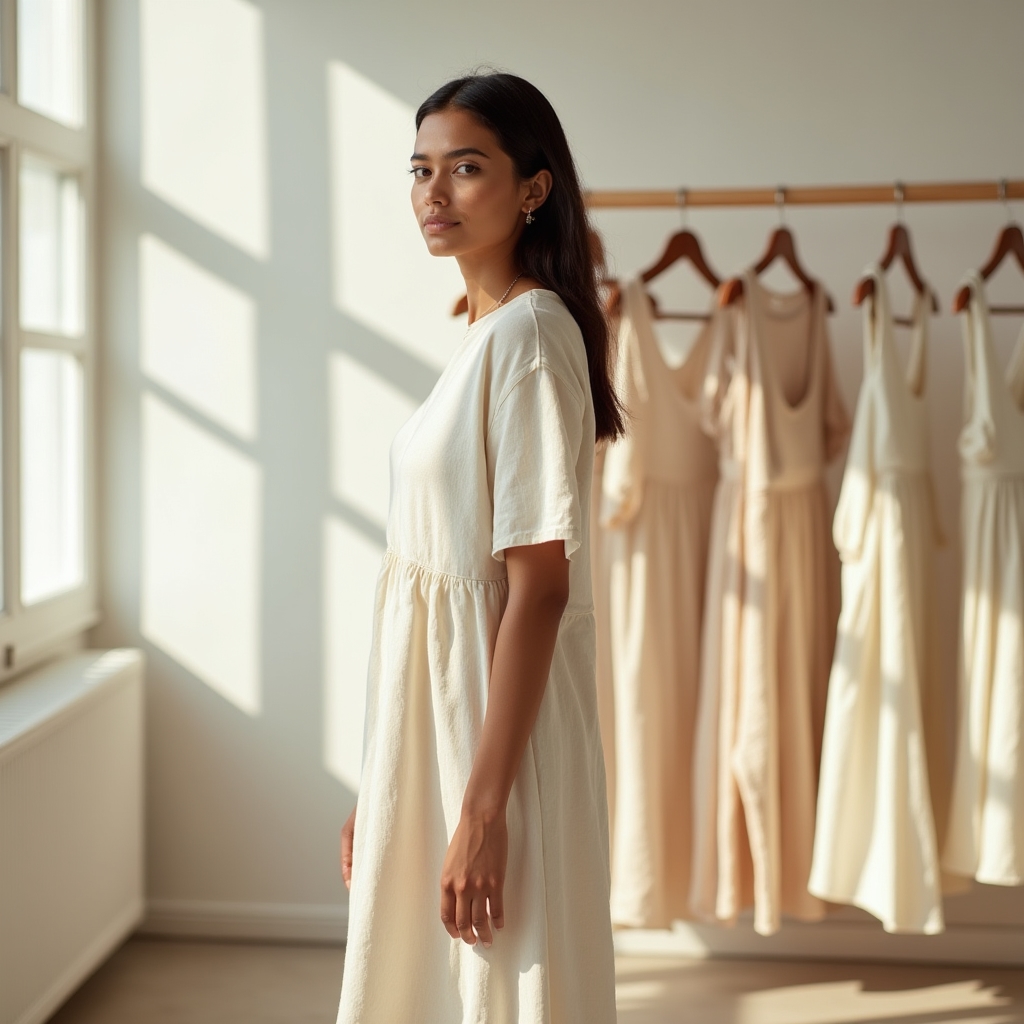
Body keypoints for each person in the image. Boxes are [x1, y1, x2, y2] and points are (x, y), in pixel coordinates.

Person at [335, 71, 622, 1024]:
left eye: (466, 167)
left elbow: (538, 589)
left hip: (496, 745)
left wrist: (484, 810)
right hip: (444, 734)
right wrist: (387, 777)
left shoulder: (533, 336)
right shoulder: (488, 334)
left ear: (532, 187)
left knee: (502, 991)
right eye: (421, 169)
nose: (434, 192)